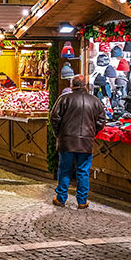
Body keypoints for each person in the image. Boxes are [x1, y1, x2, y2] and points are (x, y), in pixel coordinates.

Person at [49, 74, 106, 209]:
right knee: (83, 171)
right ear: (85, 86)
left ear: (72, 86)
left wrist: (59, 134)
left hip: (67, 141)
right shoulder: (95, 101)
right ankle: (82, 200)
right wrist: (91, 133)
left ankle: (61, 198)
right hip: (86, 143)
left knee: (64, 170)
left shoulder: (64, 99)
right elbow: (101, 121)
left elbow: (54, 118)